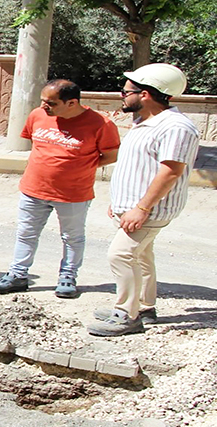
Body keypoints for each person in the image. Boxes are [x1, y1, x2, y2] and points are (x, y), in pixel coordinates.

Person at [88, 63, 200, 337]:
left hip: (149, 210)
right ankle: (145, 308)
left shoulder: (175, 127)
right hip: (134, 208)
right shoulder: (146, 122)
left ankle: (127, 315)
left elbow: (171, 171)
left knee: (121, 255)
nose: (122, 96)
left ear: (147, 94)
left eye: (127, 91)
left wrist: (141, 208)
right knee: (142, 256)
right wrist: (121, 202)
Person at [0, 79, 120, 298]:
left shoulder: (100, 124)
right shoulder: (38, 115)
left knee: (72, 237)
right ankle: (17, 276)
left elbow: (111, 155)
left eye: (51, 102)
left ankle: (68, 277)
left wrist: (79, 166)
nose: (44, 106)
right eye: (42, 101)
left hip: (73, 193)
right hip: (33, 189)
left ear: (72, 103)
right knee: (26, 233)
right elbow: (35, 145)